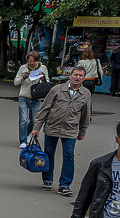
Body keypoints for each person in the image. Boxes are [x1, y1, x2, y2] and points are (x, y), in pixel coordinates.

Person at [30, 67, 91, 196]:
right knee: (49, 153)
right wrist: (36, 127)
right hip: (52, 127)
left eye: (80, 76)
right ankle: (47, 179)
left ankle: (64, 185)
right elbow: (44, 109)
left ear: (83, 78)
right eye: (75, 75)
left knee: (69, 156)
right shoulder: (57, 90)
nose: (77, 77)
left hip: (71, 129)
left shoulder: (85, 94)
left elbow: (86, 114)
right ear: (70, 76)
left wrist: (82, 131)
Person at [13, 51, 50, 146]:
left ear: (37, 61)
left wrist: (43, 79)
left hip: (36, 97)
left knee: (34, 120)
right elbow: (16, 82)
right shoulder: (23, 68)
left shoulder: (43, 68)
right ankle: (23, 141)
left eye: (33, 61)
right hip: (24, 97)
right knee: (23, 120)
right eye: (30, 61)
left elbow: (47, 83)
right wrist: (23, 77)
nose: (31, 63)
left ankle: (27, 134)